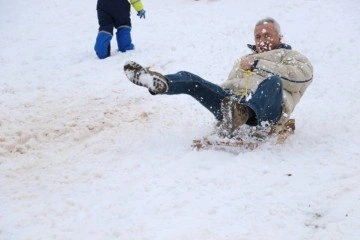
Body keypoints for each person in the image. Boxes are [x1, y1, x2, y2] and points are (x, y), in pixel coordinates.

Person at [123, 17, 313, 137]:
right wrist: (218, 95)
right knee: (192, 80)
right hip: (232, 104)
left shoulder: (292, 57)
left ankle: (244, 113)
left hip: (268, 111)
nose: (262, 40)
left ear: (280, 37)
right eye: (258, 37)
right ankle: (161, 82)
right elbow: (232, 84)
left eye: (267, 35)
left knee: (273, 82)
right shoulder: (245, 59)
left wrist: (257, 64)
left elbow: (300, 78)